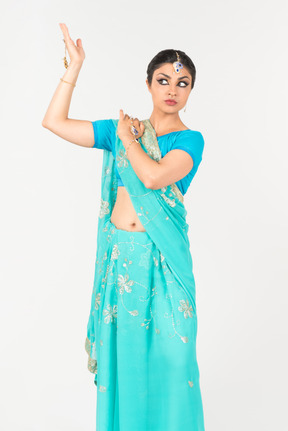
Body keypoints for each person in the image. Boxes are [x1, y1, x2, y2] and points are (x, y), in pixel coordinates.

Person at [42, 22, 206, 431]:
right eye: (164, 79)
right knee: (127, 364)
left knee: (173, 360)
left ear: (189, 91)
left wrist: (128, 139)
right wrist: (73, 69)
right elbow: (54, 122)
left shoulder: (189, 141)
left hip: (164, 265)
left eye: (182, 83)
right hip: (124, 265)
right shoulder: (122, 133)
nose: (172, 89)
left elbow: (153, 177)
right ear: (148, 83)